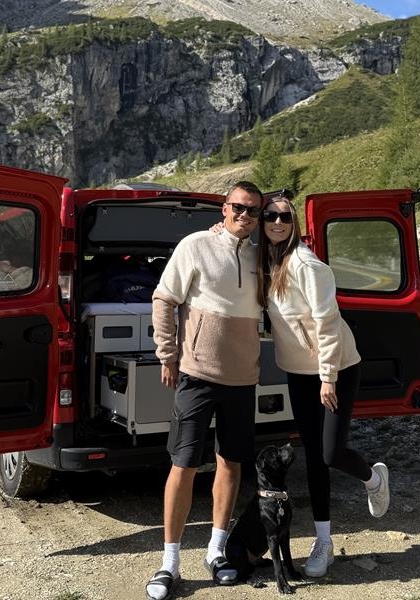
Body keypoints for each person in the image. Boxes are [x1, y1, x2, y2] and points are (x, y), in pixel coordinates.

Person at [258, 190, 389, 578]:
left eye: (285, 217)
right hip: (297, 371)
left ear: (294, 223)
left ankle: (374, 479)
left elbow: (327, 323)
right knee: (313, 456)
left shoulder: (306, 264)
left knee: (331, 453)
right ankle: (324, 542)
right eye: (270, 216)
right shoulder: (264, 260)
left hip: (336, 369)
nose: (277, 222)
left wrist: (328, 376)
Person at [146, 181, 264, 600]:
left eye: (253, 211)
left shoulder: (261, 256)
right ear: (224, 208)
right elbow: (164, 299)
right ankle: (169, 562)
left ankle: (216, 551)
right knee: (184, 465)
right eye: (238, 207)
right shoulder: (195, 244)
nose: (244, 215)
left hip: (242, 379)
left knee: (230, 464)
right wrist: (167, 355)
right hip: (196, 374)